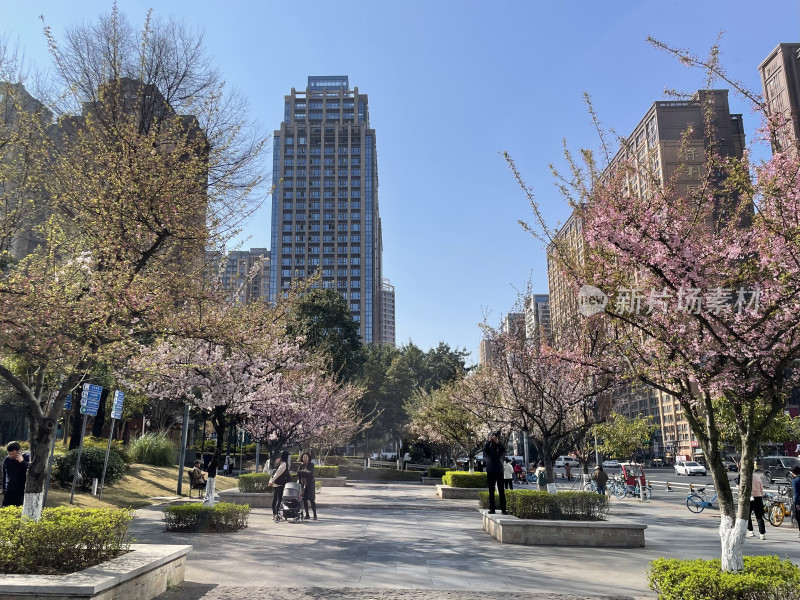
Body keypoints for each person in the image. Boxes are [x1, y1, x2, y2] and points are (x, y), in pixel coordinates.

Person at [483, 431, 506, 514]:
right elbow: (485, 450)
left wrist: (497, 442)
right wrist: (489, 440)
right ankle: (492, 509)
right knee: (491, 490)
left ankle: (503, 509)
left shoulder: (499, 446)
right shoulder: (488, 447)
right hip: (490, 470)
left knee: (501, 490)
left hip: (499, 470)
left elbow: (503, 450)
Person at [2, 441, 30, 507]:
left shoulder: (27, 457)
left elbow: (32, 471)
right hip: (9, 489)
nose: (12, 456)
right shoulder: (7, 459)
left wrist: (22, 461)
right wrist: (4, 488)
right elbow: (5, 474)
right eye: (10, 454)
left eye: (14, 453)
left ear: (20, 451)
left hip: (21, 490)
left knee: (18, 511)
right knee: (5, 510)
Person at [743, 470, 766, 540]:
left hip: (749, 498)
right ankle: (762, 534)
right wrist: (761, 495)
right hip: (758, 497)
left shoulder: (745, 477)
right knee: (759, 516)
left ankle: (750, 530)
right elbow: (761, 488)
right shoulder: (757, 477)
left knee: (747, 515)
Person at [268, 451, 292, 519]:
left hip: (276, 483)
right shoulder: (284, 464)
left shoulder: (280, 463)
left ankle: (274, 514)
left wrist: (271, 481)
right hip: (279, 484)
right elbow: (277, 473)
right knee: (278, 499)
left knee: (275, 499)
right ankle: (276, 514)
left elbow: (274, 473)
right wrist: (271, 481)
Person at [296, 452, 317, 520]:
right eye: (304, 457)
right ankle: (307, 514)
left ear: (308, 458)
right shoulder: (301, 465)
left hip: (310, 484)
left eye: (306, 457)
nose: (305, 458)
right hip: (303, 485)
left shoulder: (311, 465)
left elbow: (310, 473)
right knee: (304, 500)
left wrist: (303, 472)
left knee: (311, 499)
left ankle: (315, 514)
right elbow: (298, 473)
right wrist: (305, 471)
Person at [791, 465, 800, 538]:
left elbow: (796, 493)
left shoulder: (796, 481)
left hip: (799, 500)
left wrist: (797, 503)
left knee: (799, 517)